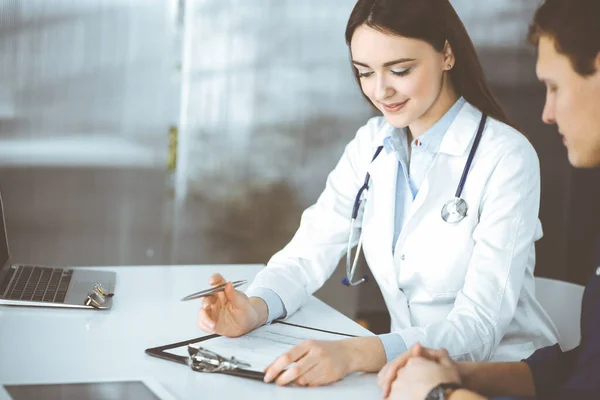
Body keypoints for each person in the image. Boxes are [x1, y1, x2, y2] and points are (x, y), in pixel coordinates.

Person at [196, 0, 558, 387]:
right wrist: (255, 308)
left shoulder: (505, 156)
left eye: (400, 70)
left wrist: (356, 353)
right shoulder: (371, 145)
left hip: (499, 378)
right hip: (408, 376)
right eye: (364, 73)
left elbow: (480, 327)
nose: (381, 91)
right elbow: (307, 253)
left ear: (447, 53)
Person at [380, 0, 600, 398]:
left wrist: (441, 394)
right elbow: (587, 368)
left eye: (554, 86)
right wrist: (462, 376)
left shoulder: (507, 154)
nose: (547, 114)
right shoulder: (376, 146)